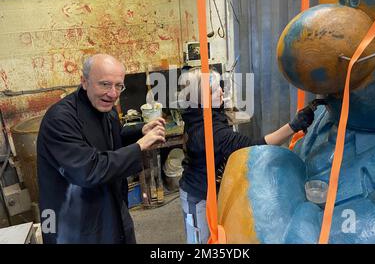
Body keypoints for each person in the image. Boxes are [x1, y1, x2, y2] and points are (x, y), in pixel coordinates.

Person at [37, 54, 166, 244]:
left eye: (118, 86)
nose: (113, 94)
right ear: (84, 81)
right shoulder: (60, 119)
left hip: (111, 207)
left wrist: (141, 132)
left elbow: (113, 141)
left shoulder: (107, 109)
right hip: (75, 222)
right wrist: (140, 146)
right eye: (104, 84)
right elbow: (88, 170)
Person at [177, 67, 315, 244]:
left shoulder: (198, 115)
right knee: (199, 241)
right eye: (214, 90)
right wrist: (293, 126)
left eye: (219, 86)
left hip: (210, 190)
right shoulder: (210, 131)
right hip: (197, 196)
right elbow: (254, 146)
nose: (221, 91)